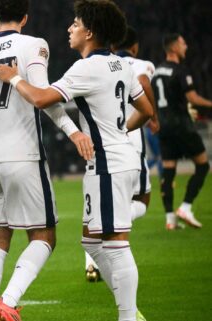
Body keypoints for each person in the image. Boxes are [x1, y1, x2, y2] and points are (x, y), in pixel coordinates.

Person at [0, 1, 154, 320]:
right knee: (91, 242)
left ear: (90, 31)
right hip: (117, 159)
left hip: (109, 165)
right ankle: (131, 312)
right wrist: (121, 130)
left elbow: (40, 98)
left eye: (76, 24)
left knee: (117, 244)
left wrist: (13, 77)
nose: (70, 29)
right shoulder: (121, 64)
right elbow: (146, 111)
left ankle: (128, 316)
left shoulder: (86, 68)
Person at [0, 1, 93, 320]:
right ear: (25, 16)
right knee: (44, 236)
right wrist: (73, 132)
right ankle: (7, 299)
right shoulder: (34, 45)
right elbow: (43, 95)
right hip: (24, 155)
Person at [84, 25, 160, 282]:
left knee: (103, 205)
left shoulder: (102, 64)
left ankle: (92, 256)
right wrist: (153, 117)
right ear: (135, 47)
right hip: (128, 143)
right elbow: (143, 82)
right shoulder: (139, 65)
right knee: (141, 199)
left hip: (99, 144)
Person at [152, 33, 212, 230]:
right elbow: (193, 99)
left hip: (164, 127)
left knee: (168, 171)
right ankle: (185, 207)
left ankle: (170, 218)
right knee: (203, 166)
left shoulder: (157, 71)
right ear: (175, 47)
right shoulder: (181, 71)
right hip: (182, 125)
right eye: (183, 43)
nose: (186, 47)